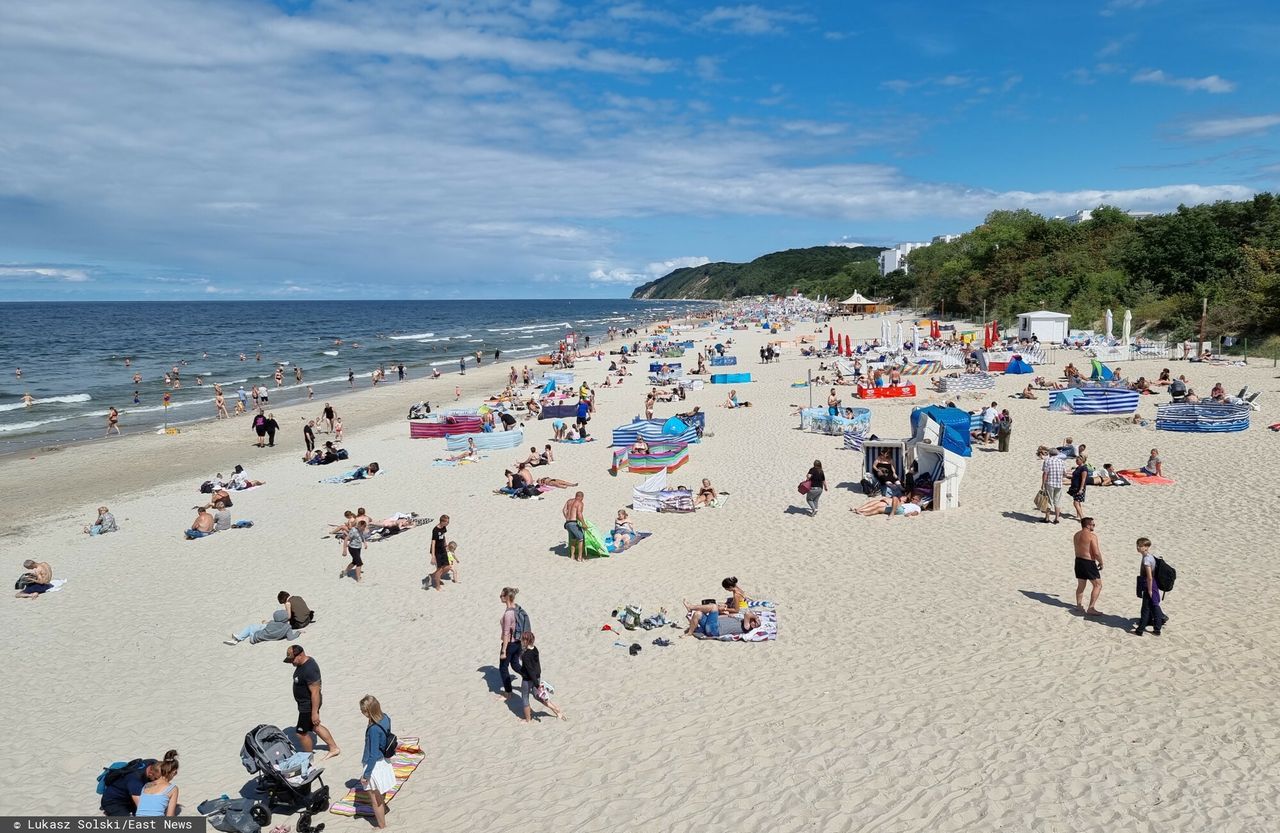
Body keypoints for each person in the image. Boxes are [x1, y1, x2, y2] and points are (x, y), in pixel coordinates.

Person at [284, 645, 340, 758]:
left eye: (292, 659)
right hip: (305, 704)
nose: (291, 663)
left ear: (300, 655)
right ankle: (334, 748)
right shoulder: (301, 664)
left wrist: (314, 713)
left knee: (301, 733)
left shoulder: (309, 669)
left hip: (308, 706)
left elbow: (315, 692)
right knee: (315, 726)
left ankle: (307, 758)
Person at [356, 695, 395, 828]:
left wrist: (366, 775)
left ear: (369, 711)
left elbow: (372, 755)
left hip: (375, 764)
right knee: (381, 791)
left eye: (364, 711)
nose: (362, 713)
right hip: (384, 760)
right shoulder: (385, 717)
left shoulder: (373, 729)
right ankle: (384, 809)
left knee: (375, 800)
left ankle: (381, 826)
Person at [101, 753, 177, 817]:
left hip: (129, 795)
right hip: (114, 801)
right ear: (150, 774)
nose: (159, 781)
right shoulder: (135, 781)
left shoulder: (153, 763)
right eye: (157, 778)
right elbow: (142, 808)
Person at [517, 631, 565, 722]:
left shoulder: (526, 655)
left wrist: (536, 684)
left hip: (528, 679)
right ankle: (556, 709)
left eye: (522, 639)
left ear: (526, 641)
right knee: (539, 696)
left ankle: (528, 720)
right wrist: (537, 679)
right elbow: (536, 665)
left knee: (525, 697)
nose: (521, 641)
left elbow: (530, 670)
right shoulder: (535, 649)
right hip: (537, 676)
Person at [1132, 537, 1168, 636]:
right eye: (1137, 545)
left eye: (1140, 546)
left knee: (1147, 608)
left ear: (1146, 547)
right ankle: (1155, 629)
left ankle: (1142, 630)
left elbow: (1149, 577)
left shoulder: (1147, 559)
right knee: (1152, 606)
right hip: (1151, 585)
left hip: (1149, 585)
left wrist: (1150, 590)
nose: (1138, 548)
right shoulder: (1149, 556)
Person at [498, 587, 526, 699]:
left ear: (506, 597)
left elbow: (506, 634)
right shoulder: (517, 608)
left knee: (503, 668)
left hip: (510, 644)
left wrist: (504, 650)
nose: (500, 597)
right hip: (518, 642)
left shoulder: (508, 614)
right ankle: (529, 677)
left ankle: (508, 692)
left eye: (501, 596)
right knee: (515, 664)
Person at [1072, 517, 1104, 615]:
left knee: (1081, 585)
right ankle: (1091, 608)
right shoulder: (1092, 536)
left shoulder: (1076, 535)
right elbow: (1096, 552)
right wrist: (1101, 562)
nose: (1094, 526)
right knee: (1098, 585)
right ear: (1088, 525)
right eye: (1093, 525)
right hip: (1088, 562)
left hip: (1078, 561)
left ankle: (1079, 605)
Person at [682, 600, 761, 638]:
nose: (754, 625)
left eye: (756, 625)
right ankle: (689, 633)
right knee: (698, 614)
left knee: (714, 606)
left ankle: (691, 607)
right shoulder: (740, 620)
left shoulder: (746, 627)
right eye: (754, 622)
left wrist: (756, 618)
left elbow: (747, 613)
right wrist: (714, 616)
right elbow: (726, 616)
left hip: (715, 630)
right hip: (711, 624)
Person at [226, 608, 299, 645]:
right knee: (262, 626)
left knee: (251, 627)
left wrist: (266, 622)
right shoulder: (287, 627)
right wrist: (298, 633)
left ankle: (238, 638)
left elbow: (267, 626)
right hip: (261, 636)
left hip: (254, 637)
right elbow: (290, 638)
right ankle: (237, 638)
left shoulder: (271, 623)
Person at [1040, 446, 1066, 524]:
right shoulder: (1061, 461)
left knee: (1048, 501)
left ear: (1050, 454)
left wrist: (1043, 483)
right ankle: (1056, 518)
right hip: (1059, 484)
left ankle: (1047, 518)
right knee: (1057, 501)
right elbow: (1064, 473)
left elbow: (1045, 473)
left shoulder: (1047, 461)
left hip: (1050, 483)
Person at [429, 515, 451, 590]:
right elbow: (433, 543)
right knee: (440, 569)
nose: (448, 523)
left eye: (448, 522)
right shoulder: (435, 530)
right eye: (447, 522)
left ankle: (434, 576)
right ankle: (437, 586)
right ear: (442, 521)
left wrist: (446, 545)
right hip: (437, 551)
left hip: (443, 549)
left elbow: (443, 536)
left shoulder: (444, 527)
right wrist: (433, 556)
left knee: (447, 567)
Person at [563, 492, 586, 560]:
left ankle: (572, 556)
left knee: (573, 539)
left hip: (567, 523)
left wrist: (567, 518)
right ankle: (579, 557)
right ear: (581, 497)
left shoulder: (569, 501)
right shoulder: (580, 503)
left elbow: (564, 510)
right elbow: (579, 514)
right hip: (573, 523)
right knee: (581, 539)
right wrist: (583, 523)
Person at [1068, 454, 1089, 520]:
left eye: (1077, 460)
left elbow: (1083, 479)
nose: (1076, 461)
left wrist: (1081, 489)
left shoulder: (1084, 468)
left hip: (1079, 487)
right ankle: (1078, 515)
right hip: (1075, 487)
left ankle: (1082, 517)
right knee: (1077, 501)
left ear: (1082, 460)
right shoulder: (1078, 467)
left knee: (1076, 503)